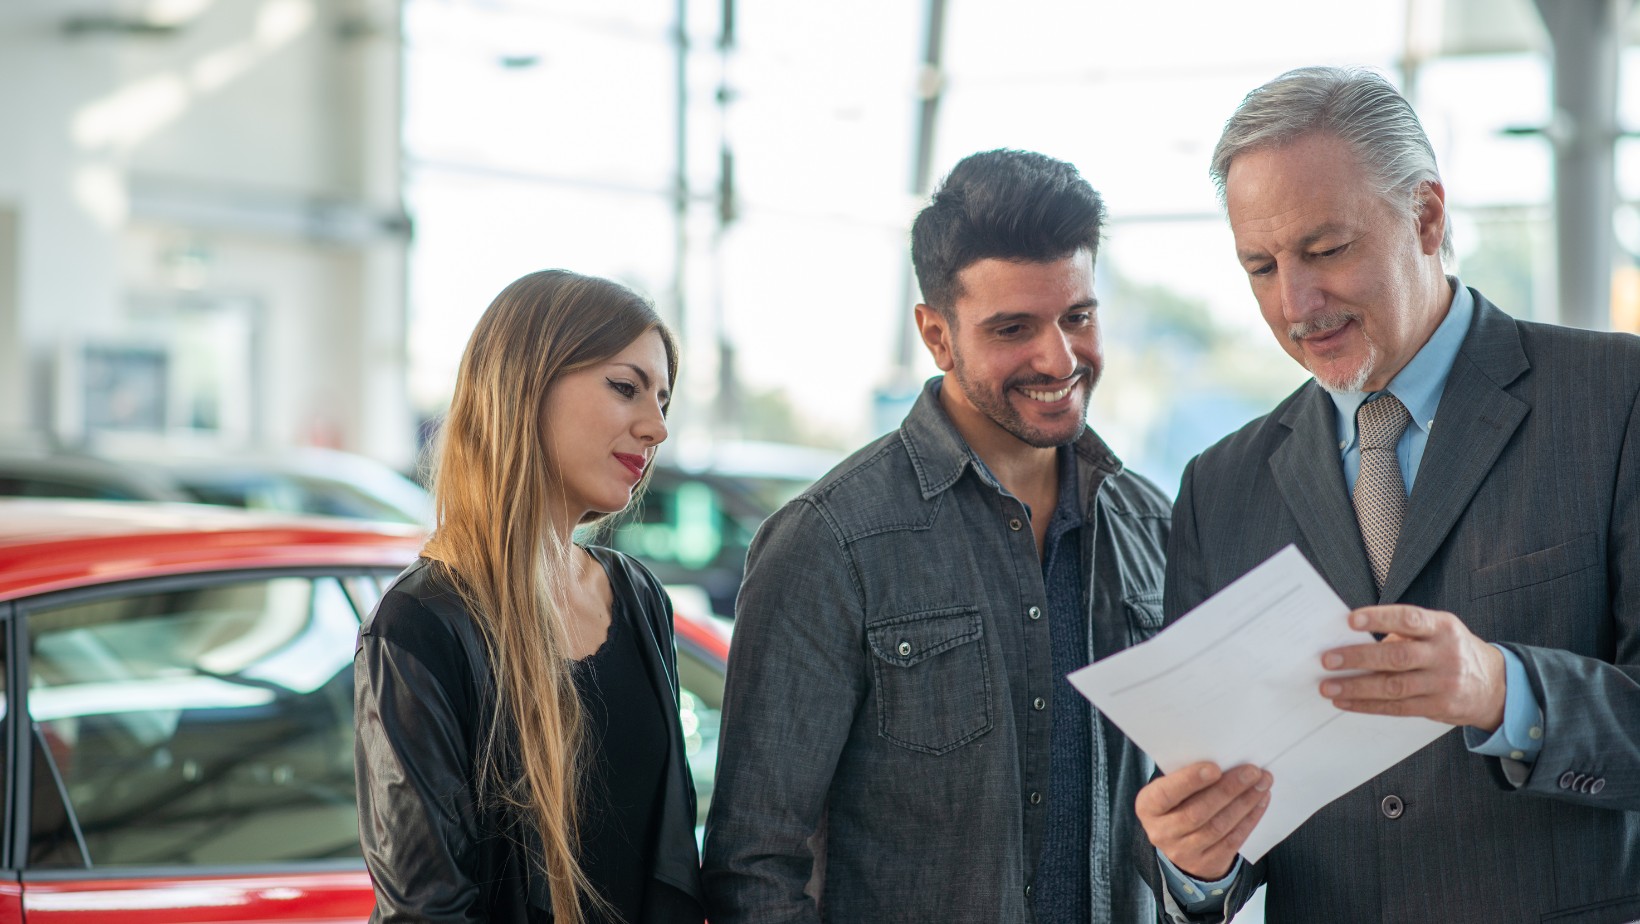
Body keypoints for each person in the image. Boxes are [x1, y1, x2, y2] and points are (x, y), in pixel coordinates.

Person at [1135, 66, 1640, 923]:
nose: (1295, 303)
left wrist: (1504, 689)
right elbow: (1210, 804)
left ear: (1427, 217)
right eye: (1260, 266)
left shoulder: (1614, 399)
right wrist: (1196, 867)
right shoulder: (1219, 487)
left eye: (1326, 250)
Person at [702, 149, 1171, 924]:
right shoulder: (830, 543)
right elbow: (755, 865)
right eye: (1014, 328)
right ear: (937, 335)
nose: (1059, 358)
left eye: (1078, 317)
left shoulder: (1153, 528)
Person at [354, 270, 707, 924]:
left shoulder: (638, 598)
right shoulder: (421, 624)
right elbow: (429, 910)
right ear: (526, 385)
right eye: (625, 388)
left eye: (663, 400)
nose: (657, 428)